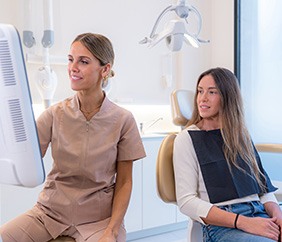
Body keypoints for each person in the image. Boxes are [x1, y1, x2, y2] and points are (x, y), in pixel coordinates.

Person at [0, 33, 146, 242]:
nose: (73, 67)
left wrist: (111, 231)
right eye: (71, 59)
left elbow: (124, 182)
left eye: (83, 61)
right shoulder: (55, 114)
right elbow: (26, 159)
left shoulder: (123, 120)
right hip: (49, 213)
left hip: (97, 219)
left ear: (105, 69)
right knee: (4, 237)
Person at [173, 67, 282, 242]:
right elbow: (186, 202)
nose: (203, 98)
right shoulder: (187, 138)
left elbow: (264, 190)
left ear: (227, 97)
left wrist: (278, 218)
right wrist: (243, 222)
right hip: (223, 224)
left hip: (260, 213)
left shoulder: (241, 136)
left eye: (212, 92)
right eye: (200, 91)